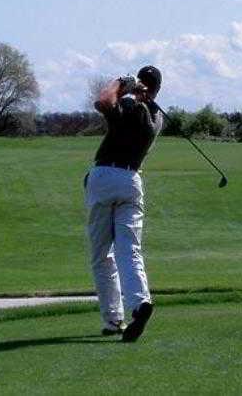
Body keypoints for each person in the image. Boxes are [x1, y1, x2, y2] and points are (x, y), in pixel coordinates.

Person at [84, 65, 163, 342]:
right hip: (131, 181)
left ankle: (113, 318)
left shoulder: (133, 108)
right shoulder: (156, 116)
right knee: (130, 250)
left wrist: (122, 82)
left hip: (105, 176)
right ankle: (140, 303)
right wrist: (138, 92)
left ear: (143, 86)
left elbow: (104, 101)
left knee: (101, 255)